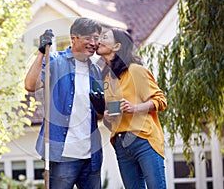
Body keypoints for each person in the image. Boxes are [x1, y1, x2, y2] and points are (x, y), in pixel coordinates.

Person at [25, 17, 103, 189]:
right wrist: (40, 53)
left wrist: (102, 106)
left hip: (91, 157)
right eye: (88, 38)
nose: (93, 43)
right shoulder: (55, 61)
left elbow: (98, 114)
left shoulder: (96, 71)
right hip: (63, 156)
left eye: (96, 39)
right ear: (73, 38)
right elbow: (30, 85)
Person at [95, 28, 167, 189]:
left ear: (117, 46)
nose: (99, 40)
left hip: (143, 139)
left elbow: (161, 100)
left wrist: (136, 108)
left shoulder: (136, 71)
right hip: (121, 144)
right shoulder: (105, 78)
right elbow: (108, 117)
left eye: (105, 37)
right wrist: (107, 116)